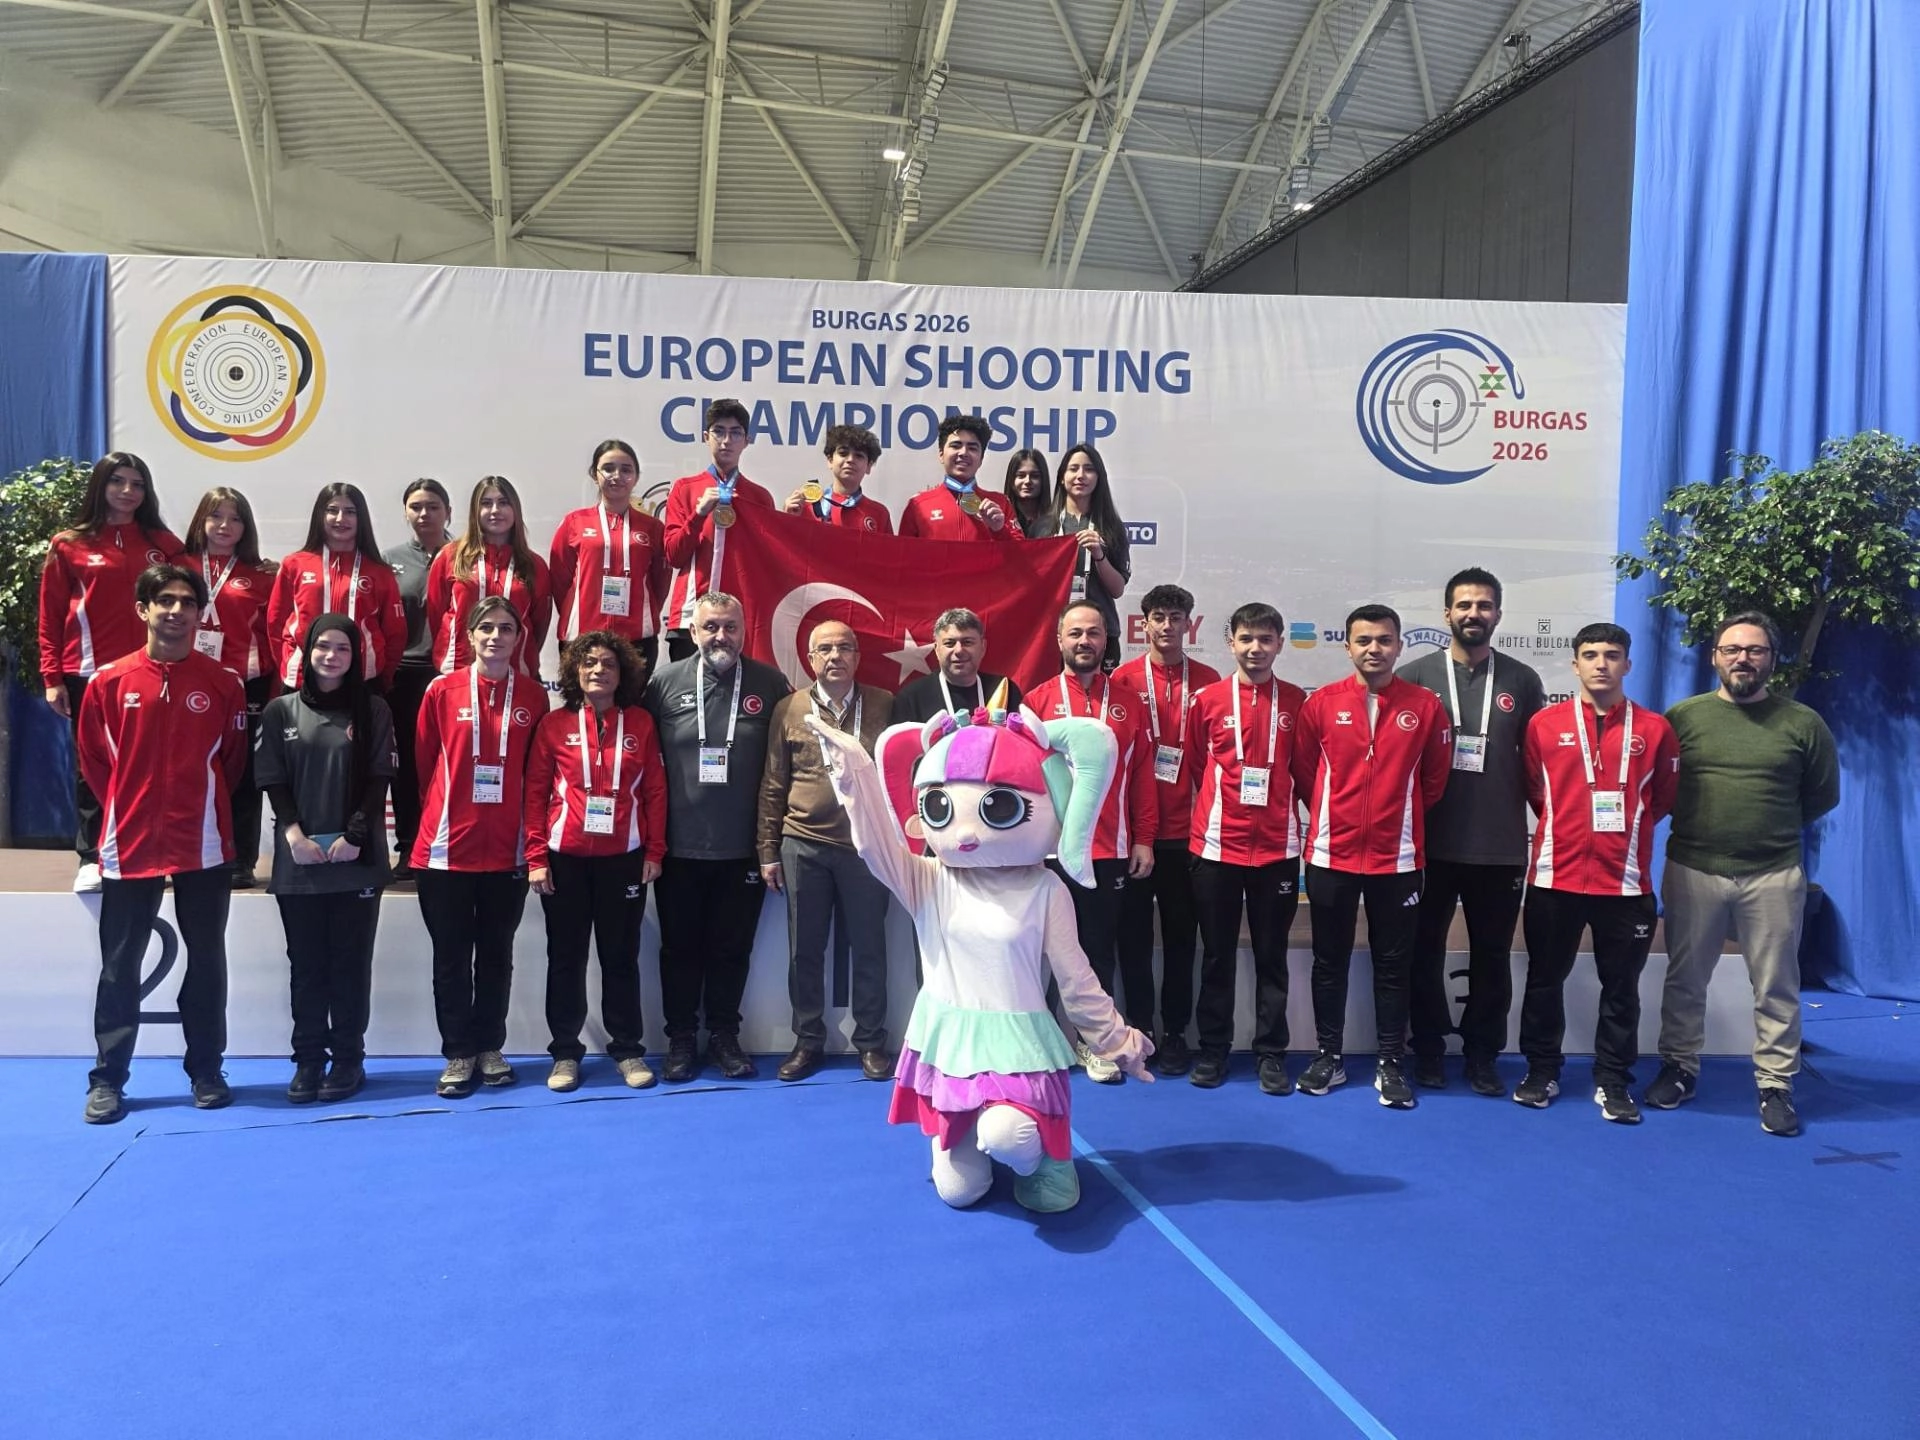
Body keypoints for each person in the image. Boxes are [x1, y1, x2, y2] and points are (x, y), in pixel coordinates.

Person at [809, 691, 1153, 1212]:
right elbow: (875, 847)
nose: (966, 832)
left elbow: (1077, 980)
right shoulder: (927, 879)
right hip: (950, 1043)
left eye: (998, 805)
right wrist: (854, 772)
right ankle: (960, 1134)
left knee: (1007, 1136)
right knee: (959, 1192)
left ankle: (1044, 1155)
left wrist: (1116, 1041)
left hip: (1018, 1047)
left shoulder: (1045, 889)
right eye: (941, 806)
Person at [1648, 611, 1839, 1137]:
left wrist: (1763, 830)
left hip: (1773, 874)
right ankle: (1679, 1068)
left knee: (1777, 985)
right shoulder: (1683, 718)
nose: (1743, 659)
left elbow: (1823, 794)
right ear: (1715, 658)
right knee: (1686, 979)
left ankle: (1775, 1084)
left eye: (1755, 650)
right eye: (1732, 649)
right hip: (1693, 868)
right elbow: (1662, 786)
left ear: (1772, 660)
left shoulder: (1803, 724)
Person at [76, 563, 247, 1124]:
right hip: (129, 840)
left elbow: (231, 764)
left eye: (187, 602)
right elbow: (95, 764)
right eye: (165, 600)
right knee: (119, 965)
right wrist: (132, 803)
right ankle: (108, 1079)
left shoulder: (223, 683)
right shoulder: (108, 682)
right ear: (143, 609)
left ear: (200, 615)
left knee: (207, 959)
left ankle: (207, 1071)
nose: (176, 611)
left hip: (204, 842)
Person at [1516, 623, 1679, 1123]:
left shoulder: (1655, 729)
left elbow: (1661, 800)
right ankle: (1541, 1070)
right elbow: (1536, 792)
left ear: (1628, 664)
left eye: (1611, 654)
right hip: (1554, 879)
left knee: (1621, 988)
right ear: (1575, 664)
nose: (1601, 663)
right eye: (1590, 654)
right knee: (1544, 982)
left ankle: (1613, 1079)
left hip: (1625, 883)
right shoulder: (1543, 725)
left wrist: (1621, 835)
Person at [1291, 605, 1452, 1108]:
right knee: (1329, 960)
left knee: (1393, 964)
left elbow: (1434, 781)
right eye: (1364, 640)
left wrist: (1392, 817)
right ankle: (1329, 1056)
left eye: (1384, 640)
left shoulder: (1425, 706)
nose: (1374, 649)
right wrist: (1338, 816)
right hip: (1330, 854)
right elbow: (1305, 773)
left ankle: (1390, 1061)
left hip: (1397, 858)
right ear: (1348, 647)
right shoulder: (1321, 704)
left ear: (1399, 646)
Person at [1396, 568, 1547, 1095]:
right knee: (1424, 951)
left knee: (1492, 955)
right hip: (1429, 845)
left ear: (1498, 614)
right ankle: (1428, 1049)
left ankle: (1483, 1055)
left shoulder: (1522, 680)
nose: (1473, 614)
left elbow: (1536, 767)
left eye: (1484, 605)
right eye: (1464, 605)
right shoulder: (1414, 676)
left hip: (1500, 847)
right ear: (1447, 614)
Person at [643, 591, 790, 1081]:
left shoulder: (770, 684)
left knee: (732, 950)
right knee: (679, 951)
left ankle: (725, 1035)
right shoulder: (664, 682)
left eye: (730, 627)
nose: (720, 636)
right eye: (710, 627)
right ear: (692, 632)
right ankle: (681, 1038)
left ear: (744, 631)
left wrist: (771, 844)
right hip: (677, 848)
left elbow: (786, 765)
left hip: (743, 849)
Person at [254, 614, 398, 1105]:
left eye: (342, 648)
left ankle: (348, 1059)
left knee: (350, 965)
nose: (332, 656)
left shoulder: (373, 709)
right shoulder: (281, 710)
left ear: (355, 657)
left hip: (357, 859)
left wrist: (356, 835)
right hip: (300, 860)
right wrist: (293, 834)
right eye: (323, 646)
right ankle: (309, 1060)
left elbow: (379, 776)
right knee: (307, 965)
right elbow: (272, 778)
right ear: (307, 651)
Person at [411, 595, 544, 1098]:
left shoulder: (534, 696)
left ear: (518, 638)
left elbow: (536, 775)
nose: (495, 636)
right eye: (486, 627)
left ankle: (490, 1047)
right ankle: (458, 1052)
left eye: (506, 628)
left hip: (508, 852)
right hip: (445, 852)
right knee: (450, 958)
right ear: (469, 635)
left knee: (496, 956)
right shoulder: (441, 690)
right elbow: (425, 762)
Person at [525, 631, 668, 1093]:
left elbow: (655, 791)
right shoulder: (553, 724)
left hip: (623, 860)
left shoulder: (641, 723)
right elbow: (535, 793)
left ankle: (627, 1050)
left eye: (608, 663)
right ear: (574, 671)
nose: (598, 670)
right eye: (588, 663)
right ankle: (565, 1053)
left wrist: (654, 851)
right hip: (563, 860)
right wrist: (536, 856)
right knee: (565, 959)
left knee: (620, 958)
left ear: (622, 673)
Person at [38, 452, 184, 894]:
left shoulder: (164, 544)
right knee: (94, 767)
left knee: (154, 765)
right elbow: (50, 614)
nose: (127, 491)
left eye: (137, 484)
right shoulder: (69, 544)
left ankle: (156, 853)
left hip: (152, 671)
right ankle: (93, 856)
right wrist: (52, 677)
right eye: (118, 481)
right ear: (101, 486)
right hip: (89, 673)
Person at [758, 620, 895, 1081]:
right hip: (803, 844)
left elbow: (898, 774)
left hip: (867, 846)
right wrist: (767, 849)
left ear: (857, 656)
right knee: (805, 950)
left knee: (870, 947)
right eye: (825, 649)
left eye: (844, 648)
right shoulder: (789, 708)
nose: (835, 656)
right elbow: (773, 782)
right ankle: (808, 1040)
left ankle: (871, 1042)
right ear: (811, 658)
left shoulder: (884, 704)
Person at [1027, 602, 1157, 1082]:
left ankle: (1093, 1044)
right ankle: (1038, 1043)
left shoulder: (1129, 702)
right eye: (1075, 633)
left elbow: (1142, 775)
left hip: (1109, 850)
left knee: (1097, 950)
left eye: (1094, 633)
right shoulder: (1036, 701)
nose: (1085, 641)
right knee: (1040, 952)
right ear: (1059, 640)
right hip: (1048, 852)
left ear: (1107, 640)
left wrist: (1144, 839)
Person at [1182, 603, 1308, 1093]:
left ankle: (1271, 1053)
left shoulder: (1297, 702)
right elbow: (1198, 764)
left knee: (1272, 956)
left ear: (1279, 644)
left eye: (1265, 639)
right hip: (1217, 847)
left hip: (1277, 849)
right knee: (1217, 956)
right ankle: (1214, 1050)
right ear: (1230, 642)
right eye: (1246, 638)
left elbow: (1305, 772)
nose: (1256, 648)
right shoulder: (1208, 700)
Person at [1111, 585, 1220, 1074]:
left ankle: (1176, 1032)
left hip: (1188, 835)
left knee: (1181, 940)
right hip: (1135, 835)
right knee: (1133, 941)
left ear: (1188, 624)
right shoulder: (1122, 679)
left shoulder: (1210, 681)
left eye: (1177, 617)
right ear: (1145, 623)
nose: (1168, 626)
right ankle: (1140, 1028)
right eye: (1159, 616)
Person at [181, 486, 281, 889]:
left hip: (246, 687)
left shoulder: (262, 575)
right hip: (188, 683)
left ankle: (240, 859)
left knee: (243, 775)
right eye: (216, 516)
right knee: (188, 770)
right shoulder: (178, 566)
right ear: (201, 521)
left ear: (246, 527)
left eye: (235, 518)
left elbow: (274, 636)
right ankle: (185, 853)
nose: (225, 525)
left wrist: (272, 690)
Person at [661, 399, 776, 661]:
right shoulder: (684, 489)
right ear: (706, 437)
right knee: (687, 687)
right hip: (691, 615)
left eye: (735, 433)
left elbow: (768, 564)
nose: (726, 440)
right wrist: (699, 514)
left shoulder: (759, 497)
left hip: (739, 619)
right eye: (719, 432)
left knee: (739, 686)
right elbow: (673, 556)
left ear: (746, 440)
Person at [267, 482, 408, 692]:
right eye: (332, 510)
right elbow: (275, 623)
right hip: (302, 678)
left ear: (361, 518)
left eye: (350, 512)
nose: (341, 519)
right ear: (320, 515)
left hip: (363, 677)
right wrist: (288, 664)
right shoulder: (294, 564)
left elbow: (395, 632)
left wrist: (381, 675)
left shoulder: (379, 571)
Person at [382, 478, 453, 882]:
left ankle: (447, 841)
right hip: (405, 676)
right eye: (416, 507)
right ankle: (409, 845)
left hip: (450, 672)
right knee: (407, 764)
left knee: (451, 761)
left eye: (433, 506)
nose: (424, 514)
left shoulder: (466, 556)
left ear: (448, 512)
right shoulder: (389, 560)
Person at [549, 439, 670, 674]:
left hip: (637, 638)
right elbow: (560, 579)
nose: (617, 476)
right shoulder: (574, 522)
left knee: (633, 699)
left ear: (636, 477)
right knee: (582, 698)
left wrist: (641, 612)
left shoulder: (653, 528)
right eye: (608, 468)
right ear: (594, 474)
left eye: (626, 470)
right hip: (581, 636)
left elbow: (660, 582)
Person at [426, 476, 552, 680]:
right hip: (458, 670)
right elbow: (436, 616)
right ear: (475, 511)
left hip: (516, 673)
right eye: (486, 503)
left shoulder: (534, 564)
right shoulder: (450, 556)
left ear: (515, 509)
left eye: (503, 503)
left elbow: (539, 625)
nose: (495, 510)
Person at [1025, 444, 1130, 670]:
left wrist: (1099, 555)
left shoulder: (1111, 527)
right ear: (1062, 478)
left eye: (1089, 469)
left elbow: (1117, 589)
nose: (1080, 475)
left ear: (1099, 478)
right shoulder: (1042, 527)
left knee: (1098, 692)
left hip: (1099, 632)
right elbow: (1032, 586)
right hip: (1051, 632)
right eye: (1073, 469)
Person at [890, 608, 1024, 725]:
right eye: (949, 643)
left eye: (967, 642)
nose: (959, 650)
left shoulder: (1006, 690)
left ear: (983, 647)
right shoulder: (911, 698)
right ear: (937, 650)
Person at [896, 414, 1012, 540]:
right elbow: (903, 552)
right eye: (956, 446)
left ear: (981, 459)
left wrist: (999, 531)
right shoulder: (918, 505)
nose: (963, 453)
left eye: (972, 448)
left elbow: (1021, 551)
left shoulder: (1000, 503)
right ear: (941, 454)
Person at [781, 424, 893, 533]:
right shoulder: (804, 507)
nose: (850, 460)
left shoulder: (879, 514)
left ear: (868, 466)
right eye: (843, 453)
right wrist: (787, 520)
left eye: (859, 456)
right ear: (830, 460)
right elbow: (787, 544)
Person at [1004, 448, 1051, 538]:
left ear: (1043, 480)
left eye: (1035, 476)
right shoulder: (1001, 520)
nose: (1027, 481)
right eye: (1021, 475)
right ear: (1011, 480)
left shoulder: (1056, 521)